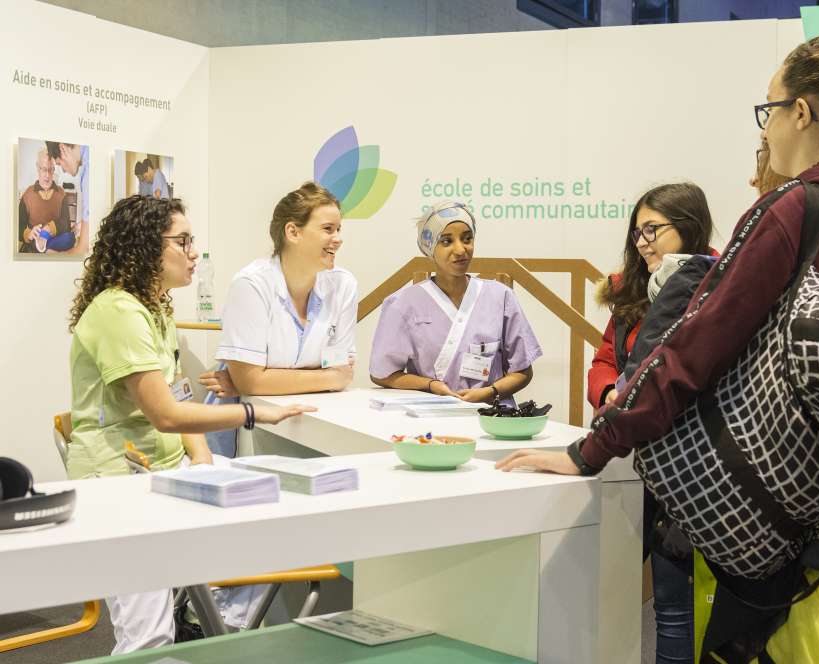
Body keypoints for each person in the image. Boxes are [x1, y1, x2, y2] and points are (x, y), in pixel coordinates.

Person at [499, 9, 819, 662]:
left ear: (802, 113)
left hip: (792, 505)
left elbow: (693, 348)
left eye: (770, 108)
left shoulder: (793, 208)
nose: (767, 126)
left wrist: (591, 450)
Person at [67, 195, 314, 653]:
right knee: (149, 639)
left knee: (274, 507)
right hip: (117, 478)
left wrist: (202, 462)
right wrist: (252, 411)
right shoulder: (118, 311)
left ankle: (211, 619)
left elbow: (177, 395)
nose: (193, 252)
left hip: (163, 468)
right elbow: (165, 414)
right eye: (182, 241)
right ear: (145, 246)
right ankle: (194, 621)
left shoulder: (156, 308)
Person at [588, 182, 716, 664]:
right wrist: (609, 392)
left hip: (691, 463)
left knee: (676, 602)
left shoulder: (721, 285)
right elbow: (605, 359)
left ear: (688, 227)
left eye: (652, 230)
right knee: (628, 588)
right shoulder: (632, 287)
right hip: (633, 457)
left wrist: (632, 397)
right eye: (637, 232)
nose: (642, 243)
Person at [198, 182, 356, 450]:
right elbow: (252, 381)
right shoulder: (252, 284)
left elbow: (344, 372)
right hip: (244, 424)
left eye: (339, 229)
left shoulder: (343, 285)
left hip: (309, 420)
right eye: (328, 229)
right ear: (293, 232)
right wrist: (327, 377)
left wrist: (260, 380)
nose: (338, 238)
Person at [369, 201, 541, 405]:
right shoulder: (403, 303)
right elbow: (382, 374)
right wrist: (430, 385)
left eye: (467, 239)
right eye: (446, 241)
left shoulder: (501, 297)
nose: (460, 250)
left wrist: (490, 392)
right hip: (432, 414)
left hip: (491, 414)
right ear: (430, 248)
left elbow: (522, 371)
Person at [18, 148, 73, 253]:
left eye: (51, 169)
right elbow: (18, 227)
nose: (48, 175)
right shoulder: (27, 194)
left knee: (70, 238)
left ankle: (44, 247)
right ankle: (41, 247)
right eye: (44, 169)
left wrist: (49, 228)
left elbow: (66, 224)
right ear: (37, 168)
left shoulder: (61, 193)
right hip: (34, 243)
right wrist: (28, 234)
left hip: (55, 241)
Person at [46, 140, 88, 229]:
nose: (63, 170)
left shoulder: (87, 172)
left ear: (63, 149)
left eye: (59, 164)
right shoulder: (87, 159)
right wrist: (81, 225)